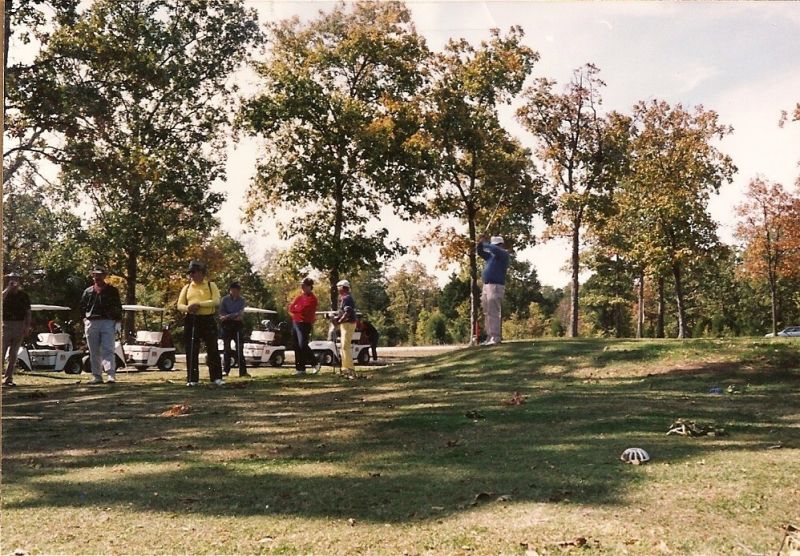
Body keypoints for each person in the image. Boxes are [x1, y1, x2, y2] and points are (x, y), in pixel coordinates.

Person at [177, 261, 223, 386]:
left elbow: (216, 301)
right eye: (190, 273)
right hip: (192, 319)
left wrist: (199, 305)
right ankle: (192, 379)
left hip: (207, 319)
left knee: (212, 348)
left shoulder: (210, 285)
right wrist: (188, 308)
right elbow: (179, 305)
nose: (192, 275)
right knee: (191, 349)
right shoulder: (186, 288)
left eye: (194, 272)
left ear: (201, 273)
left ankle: (216, 377)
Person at [79, 266, 123, 384]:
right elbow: (82, 307)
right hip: (91, 321)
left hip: (108, 321)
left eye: (99, 275)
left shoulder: (112, 290)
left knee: (108, 348)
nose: (96, 277)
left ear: (104, 276)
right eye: (94, 275)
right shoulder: (88, 291)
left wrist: (118, 321)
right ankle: (97, 376)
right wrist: (84, 319)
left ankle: (110, 374)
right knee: (93, 350)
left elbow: (118, 306)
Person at [476, 235, 510, 345]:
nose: (495, 247)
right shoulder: (491, 256)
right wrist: (479, 244)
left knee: (494, 312)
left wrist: (485, 243)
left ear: (501, 245)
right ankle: (489, 337)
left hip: (495, 286)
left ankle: (495, 338)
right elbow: (480, 252)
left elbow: (493, 249)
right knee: (487, 312)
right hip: (487, 286)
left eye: (496, 245)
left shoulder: (503, 253)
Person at [2, 272, 32, 387]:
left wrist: (27, 327)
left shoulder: (24, 296)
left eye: (16, 279)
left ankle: (8, 378)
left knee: (13, 354)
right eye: (11, 279)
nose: (14, 281)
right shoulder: (5, 294)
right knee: (1, 352)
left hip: (19, 325)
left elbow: (28, 313)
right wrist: (8, 289)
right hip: (6, 325)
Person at [288, 277, 320, 376]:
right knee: (296, 345)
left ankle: (315, 363)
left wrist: (297, 309)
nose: (302, 287)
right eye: (302, 285)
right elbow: (291, 308)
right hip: (296, 322)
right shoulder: (299, 297)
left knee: (302, 344)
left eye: (304, 285)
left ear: (310, 286)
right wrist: (298, 309)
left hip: (305, 323)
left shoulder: (313, 299)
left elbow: (304, 310)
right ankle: (300, 369)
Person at [219, 282, 249, 377]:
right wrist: (232, 316)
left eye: (236, 291)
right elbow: (221, 312)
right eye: (232, 290)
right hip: (226, 325)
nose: (234, 292)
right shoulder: (225, 300)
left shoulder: (242, 300)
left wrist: (228, 316)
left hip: (237, 325)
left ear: (239, 291)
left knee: (240, 348)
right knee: (226, 349)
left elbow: (240, 314)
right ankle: (225, 370)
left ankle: (243, 371)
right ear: (230, 290)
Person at [334, 279, 357, 377]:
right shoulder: (345, 298)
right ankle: (345, 367)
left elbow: (348, 312)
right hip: (346, 324)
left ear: (343, 288)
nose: (337, 289)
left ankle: (349, 368)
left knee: (345, 346)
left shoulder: (346, 298)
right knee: (343, 346)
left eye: (338, 287)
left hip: (348, 324)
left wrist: (339, 321)